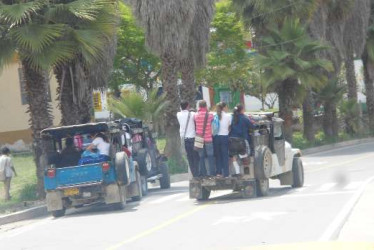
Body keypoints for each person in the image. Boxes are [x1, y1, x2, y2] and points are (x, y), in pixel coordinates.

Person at [229, 104, 255, 174]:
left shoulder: (231, 117)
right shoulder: (244, 118)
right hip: (242, 141)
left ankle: (237, 173)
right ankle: (246, 172)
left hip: (231, 140)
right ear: (242, 110)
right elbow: (252, 126)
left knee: (234, 156)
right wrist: (252, 121)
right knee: (245, 156)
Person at [177, 101, 199, 177]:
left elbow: (181, 111)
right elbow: (197, 116)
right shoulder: (193, 114)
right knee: (196, 156)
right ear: (188, 106)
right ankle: (198, 173)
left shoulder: (178, 114)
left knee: (190, 157)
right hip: (193, 138)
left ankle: (194, 174)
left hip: (185, 139)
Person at [194, 100, 215, 176]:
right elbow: (213, 120)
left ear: (199, 106)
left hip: (199, 138)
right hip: (208, 138)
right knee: (210, 156)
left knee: (201, 156)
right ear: (206, 106)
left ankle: (203, 173)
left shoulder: (196, 115)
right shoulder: (210, 115)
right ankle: (212, 173)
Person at [213, 102, 231, 177]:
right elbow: (229, 126)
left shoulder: (215, 115)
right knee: (225, 155)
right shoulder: (228, 116)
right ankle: (226, 173)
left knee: (218, 156)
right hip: (224, 137)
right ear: (224, 107)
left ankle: (218, 172)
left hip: (216, 137)